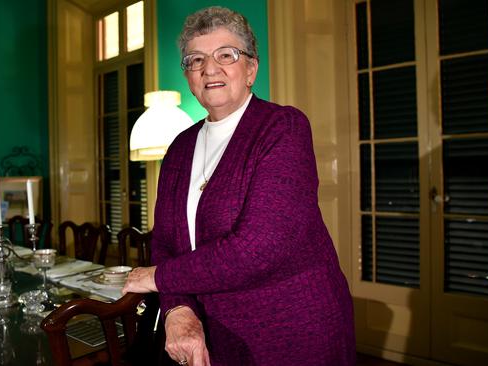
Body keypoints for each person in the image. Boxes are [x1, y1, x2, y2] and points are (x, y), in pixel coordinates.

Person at [122, 6, 355, 366]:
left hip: (293, 332)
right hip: (215, 333)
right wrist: (177, 310)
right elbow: (166, 242)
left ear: (251, 69)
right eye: (195, 59)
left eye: (226, 55)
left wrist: (157, 278)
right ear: (188, 75)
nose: (209, 68)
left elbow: (258, 248)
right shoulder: (179, 147)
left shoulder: (283, 128)